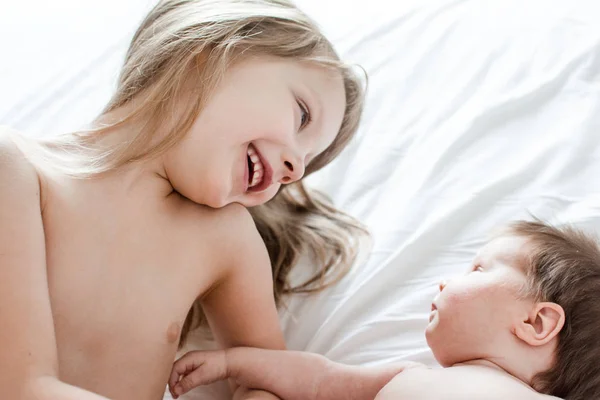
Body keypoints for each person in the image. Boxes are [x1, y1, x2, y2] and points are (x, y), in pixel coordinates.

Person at [0, 0, 367, 399]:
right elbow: (22, 387)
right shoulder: (18, 169)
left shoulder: (226, 240)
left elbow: (266, 380)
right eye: (302, 116)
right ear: (213, 50)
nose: (294, 168)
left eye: (307, 163)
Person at [168, 220, 600, 400]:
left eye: (478, 269)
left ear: (536, 322)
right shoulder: (410, 379)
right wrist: (233, 362)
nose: (446, 281)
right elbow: (318, 382)